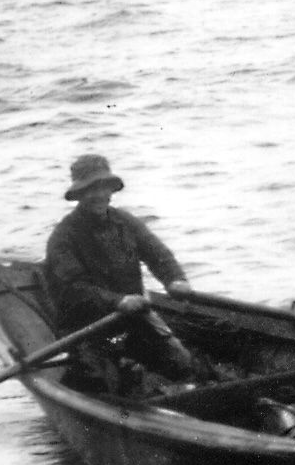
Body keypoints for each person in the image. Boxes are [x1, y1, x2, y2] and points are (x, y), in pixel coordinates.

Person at [44, 154, 196, 390]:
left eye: (103, 187)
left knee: (182, 365)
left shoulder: (125, 221)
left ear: (111, 190)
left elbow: (158, 255)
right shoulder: (63, 237)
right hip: (87, 329)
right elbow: (76, 289)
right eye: (90, 189)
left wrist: (175, 280)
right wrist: (118, 301)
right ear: (79, 194)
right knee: (102, 384)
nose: (98, 195)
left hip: (132, 319)